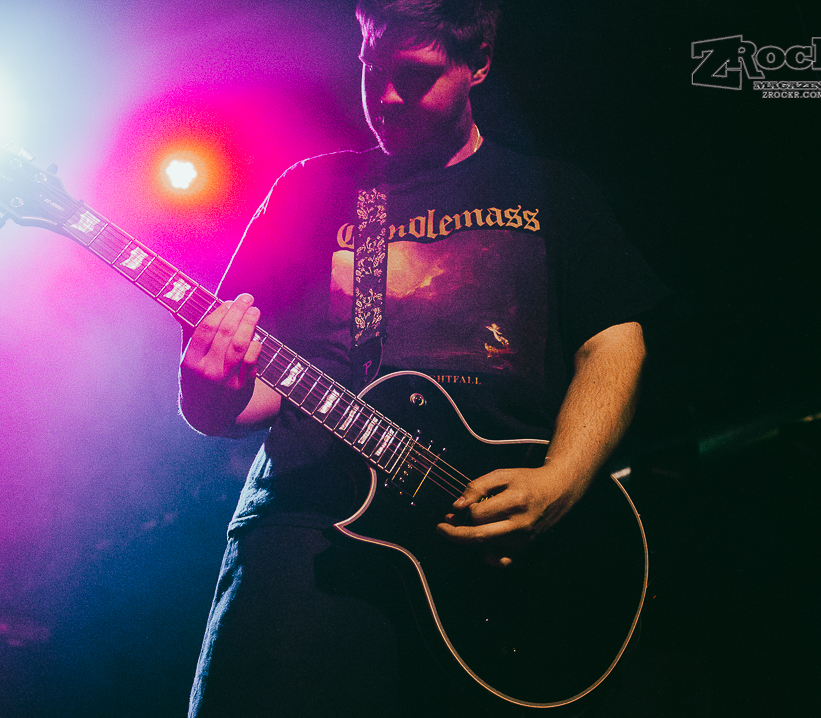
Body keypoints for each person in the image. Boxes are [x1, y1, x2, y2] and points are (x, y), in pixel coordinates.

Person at [179, 1, 669, 715]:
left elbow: (615, 342)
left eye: (413, 75)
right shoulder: (310, 191)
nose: (384, 96)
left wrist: (561, 481)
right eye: (371, 68)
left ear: (479, 64)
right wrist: (209, 394)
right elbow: (247, 393)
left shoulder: (553, 193)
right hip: (308, 528)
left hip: (500, 549)